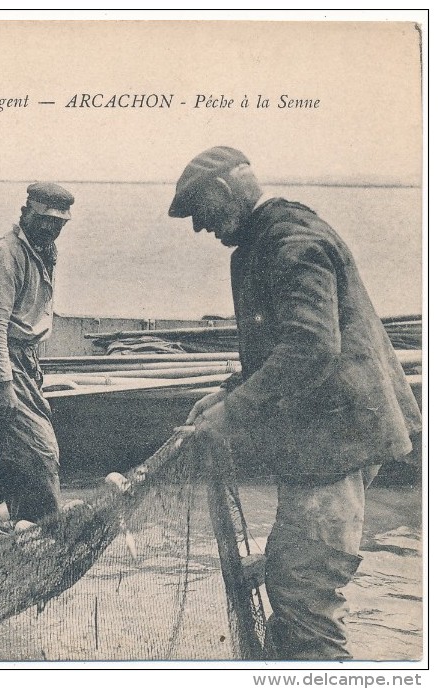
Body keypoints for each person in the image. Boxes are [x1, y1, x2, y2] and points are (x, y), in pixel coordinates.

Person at [168, 146, 421, 660]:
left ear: (226, 192)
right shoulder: (267, 240)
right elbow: (278, 346)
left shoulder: (291, 241)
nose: (200, 228)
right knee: (294, 573)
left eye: (203, 212)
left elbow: (310, 348)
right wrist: (227, 391)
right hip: (332, 439)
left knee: (303, 591)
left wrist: (231, 415)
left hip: (337, 442)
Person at [0, 182, 74, 529]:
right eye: (44, 219)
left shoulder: (45, 251)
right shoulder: (5, 254)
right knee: (42, 453)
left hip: (26, 361)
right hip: (1, 361)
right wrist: (2, 384)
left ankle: (9, 518)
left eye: (58, 223)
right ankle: (47, 530)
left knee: (20, 452)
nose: (51, 228)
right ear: (26, 212)